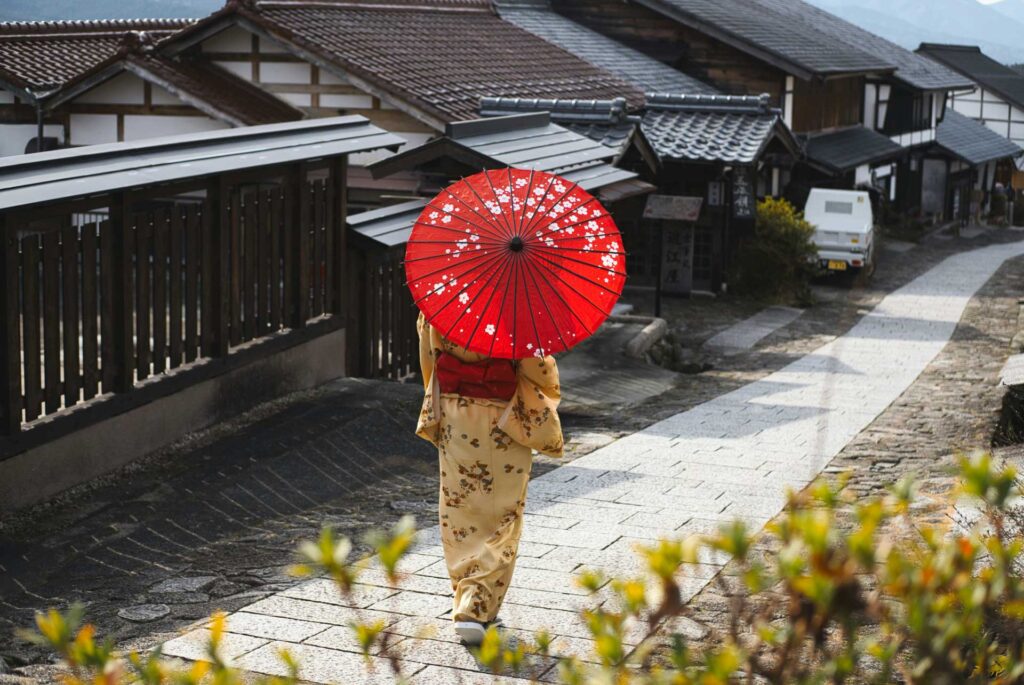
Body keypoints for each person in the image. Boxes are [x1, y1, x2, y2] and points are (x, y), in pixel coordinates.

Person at [415, 312, 563, 645]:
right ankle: (477, 607)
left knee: (460, 511)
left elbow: (429, 357)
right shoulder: (514, 304)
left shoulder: (440, 300)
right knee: (503, 515)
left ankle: (466, 595)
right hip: (502, 415)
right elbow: (538, 367)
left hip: (455, 414)